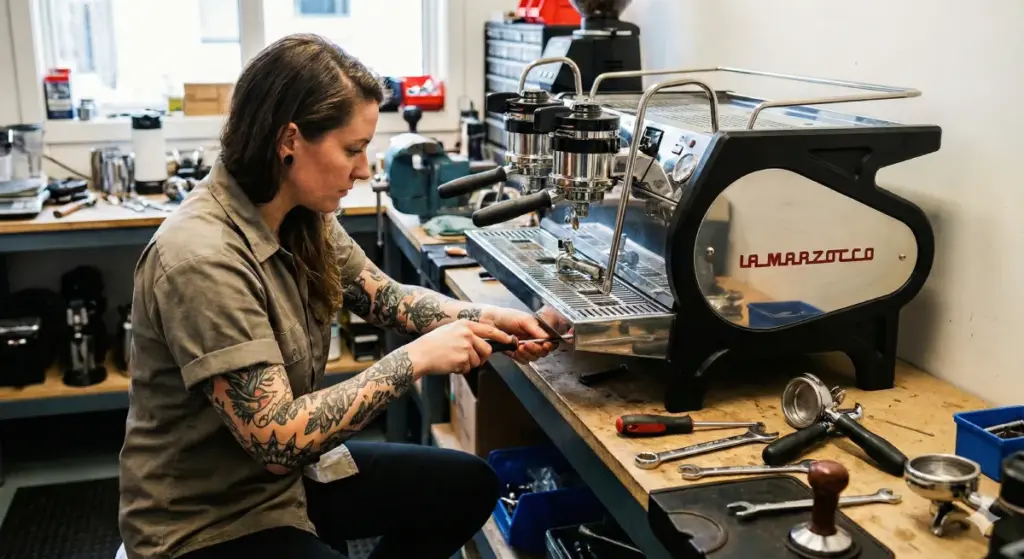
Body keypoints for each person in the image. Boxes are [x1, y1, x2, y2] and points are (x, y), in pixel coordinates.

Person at [118, 33, 556, 559]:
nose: (364, 169)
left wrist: (489, 317)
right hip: (208, 520)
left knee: (467, 486)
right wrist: (414, 360)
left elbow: (387, 298)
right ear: (289, 140)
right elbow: (276, 441)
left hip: (288, 482)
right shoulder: (201, 257)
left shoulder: (300, 215)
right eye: (352, 149)